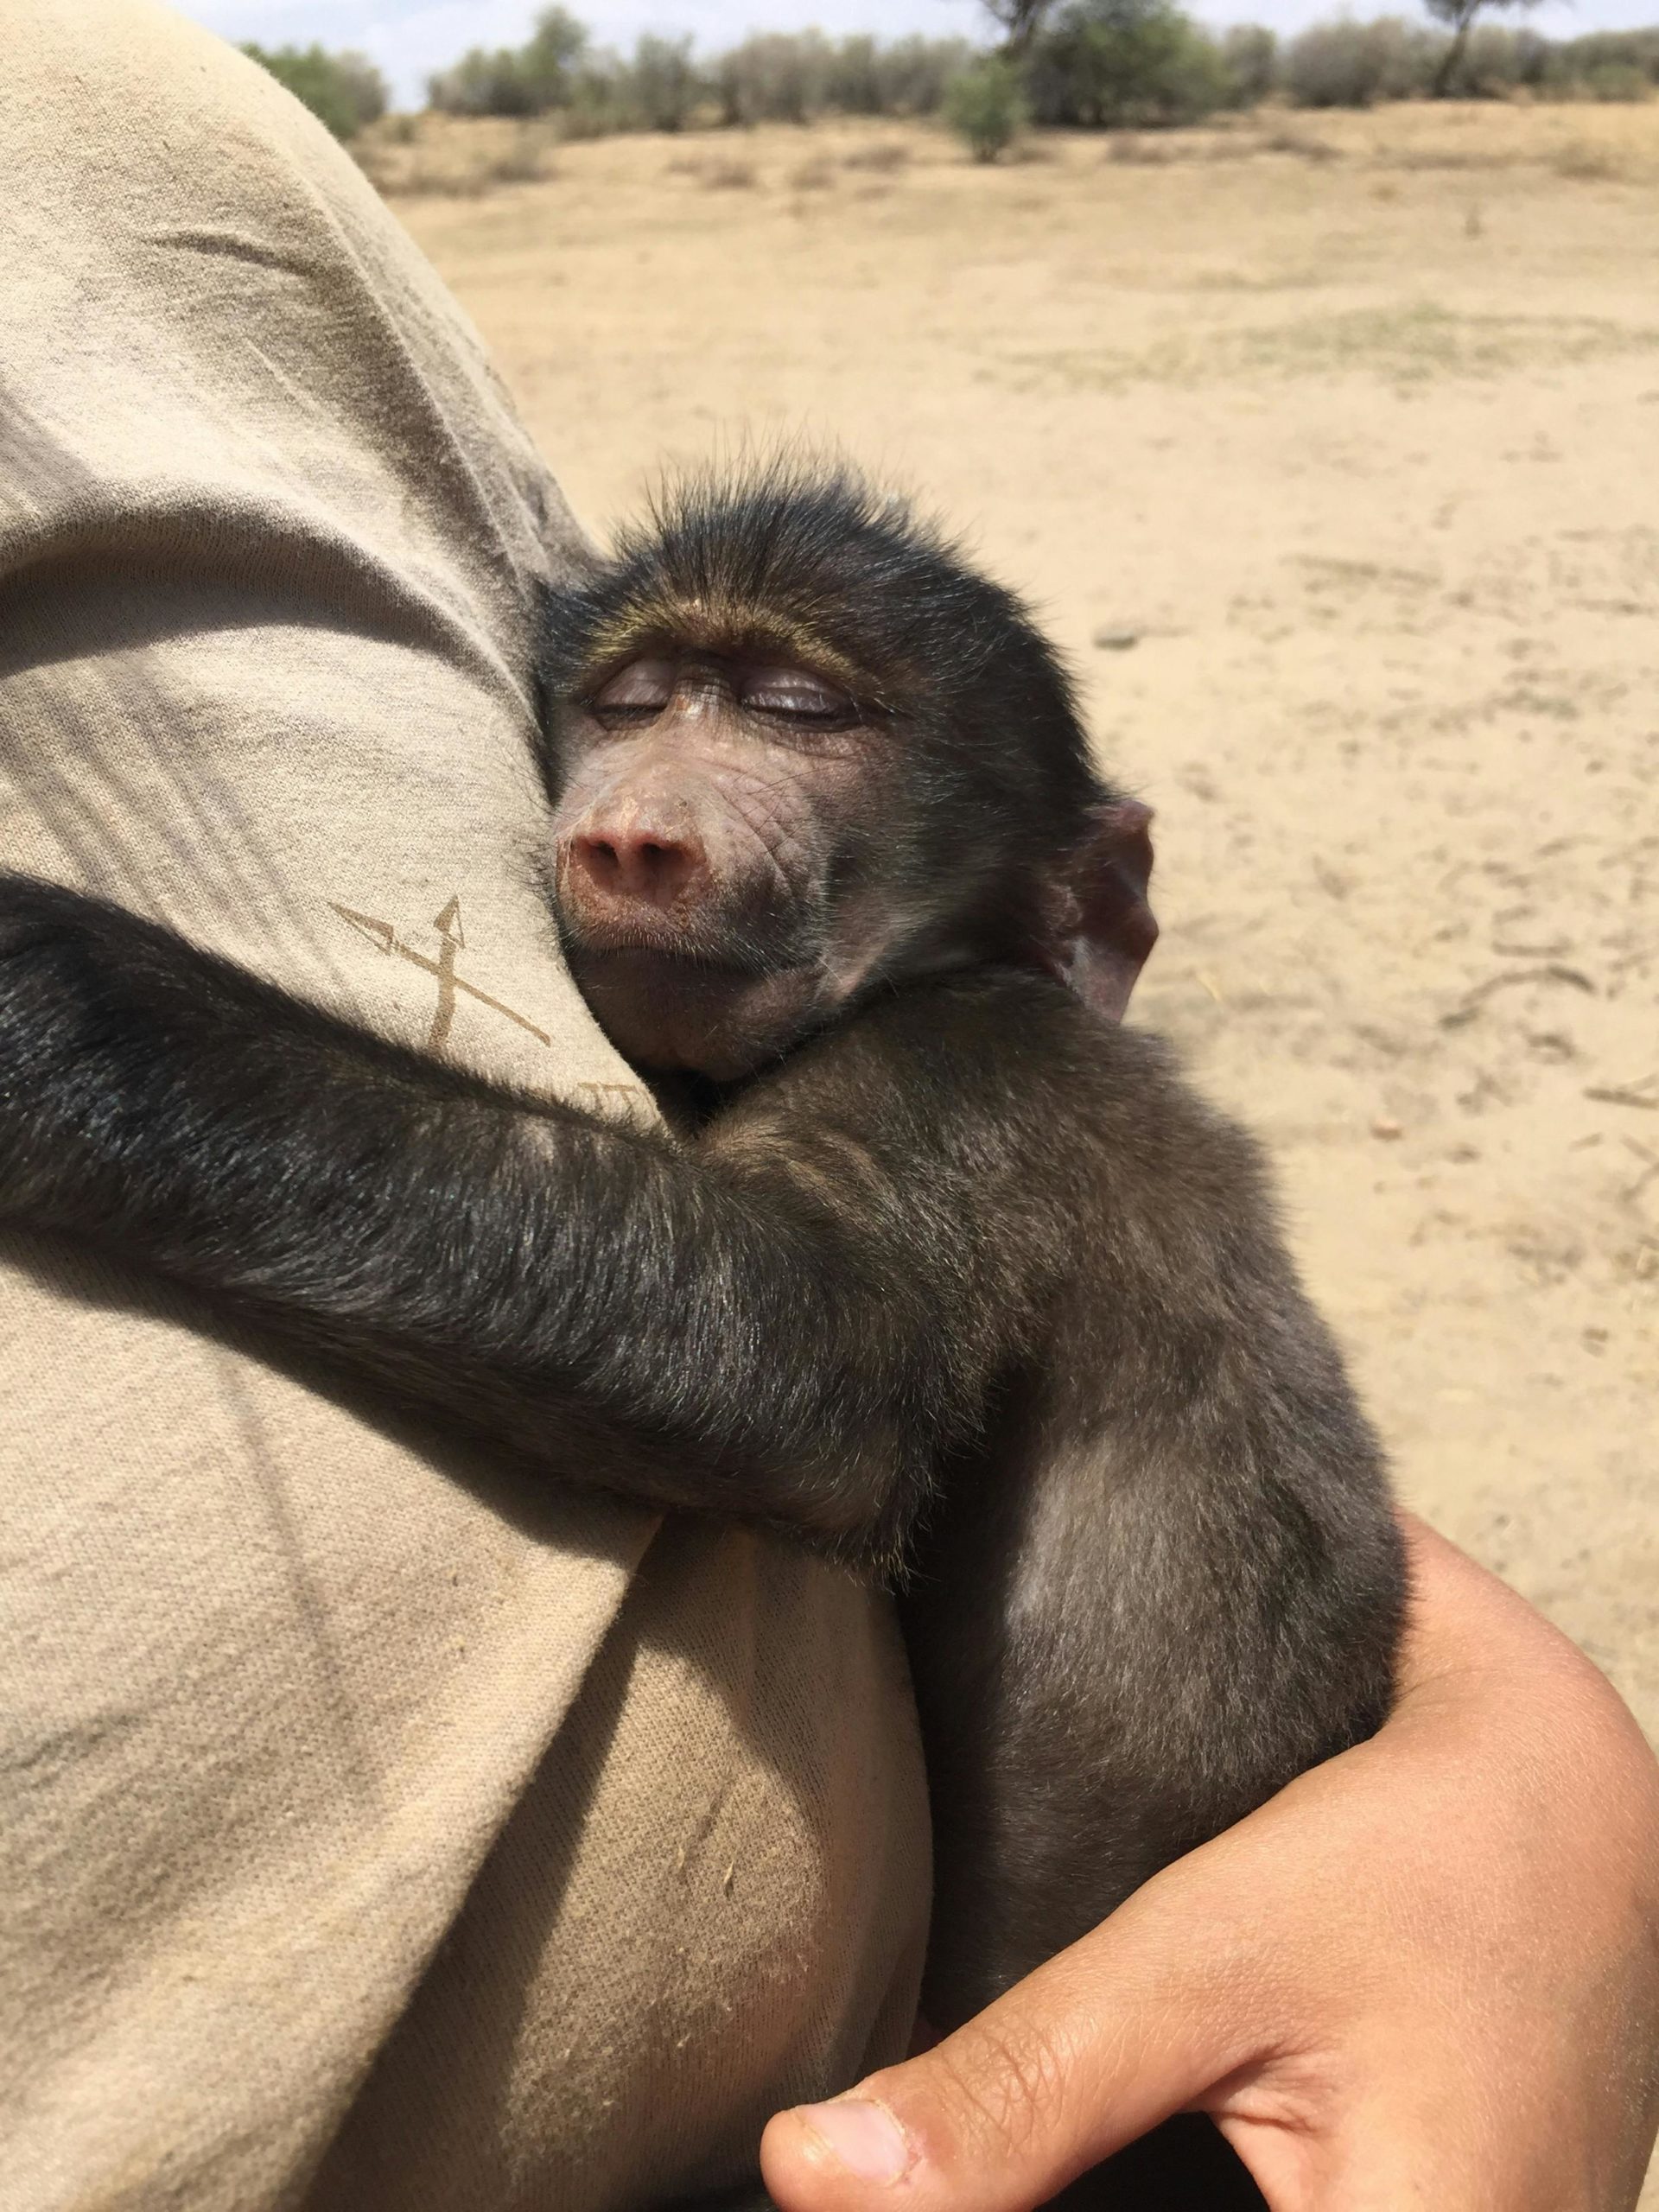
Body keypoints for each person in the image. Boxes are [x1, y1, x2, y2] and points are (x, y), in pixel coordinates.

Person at [0, 7, 1653, 2209]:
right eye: (631, 697)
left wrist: (68, 1018)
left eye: (795, 709)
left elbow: (779, 1361)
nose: (640, 815)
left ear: (1083, 904)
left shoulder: (1016, 1087)